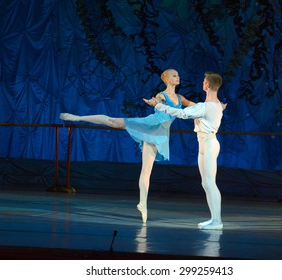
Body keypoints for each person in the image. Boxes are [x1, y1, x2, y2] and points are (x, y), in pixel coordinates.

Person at [59, 69, 194, 224]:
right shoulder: (162, 95)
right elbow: (158, 102)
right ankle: (78, 117)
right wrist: (154, 103)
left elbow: (197, 107)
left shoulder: (180, 98)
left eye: (178, 74)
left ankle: (142, 203)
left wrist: (213, 106)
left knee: (146, 170)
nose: (178, 77)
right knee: (113, 121)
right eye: (174, 75)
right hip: (150, 125)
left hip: (160, 134)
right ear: (167, 79)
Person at [144, 71, 226, 230]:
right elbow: (202, 109)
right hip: (204, 144)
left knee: (210, 182)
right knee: (206, 183)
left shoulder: (206, 107)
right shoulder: (213, 105)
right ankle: (213, 219)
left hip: (209, 144)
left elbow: (181, 113)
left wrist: (159, 106)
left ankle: (217, 221)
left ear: (207, 85)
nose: (203, 82)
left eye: (204, 81)